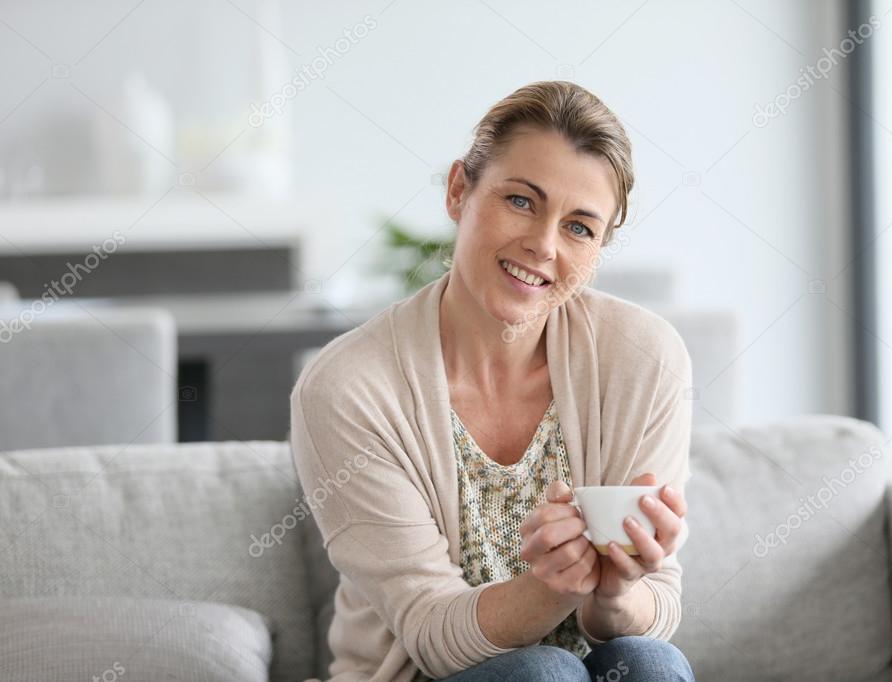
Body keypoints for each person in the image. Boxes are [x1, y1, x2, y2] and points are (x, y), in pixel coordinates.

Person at [290, 80, 696, 681]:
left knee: (648, 662)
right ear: (459, 191)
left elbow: (657, 604)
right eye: (522, 201)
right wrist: (553, 588)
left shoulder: (644, 359)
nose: (542, 245)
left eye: (579, 227)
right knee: (543, 675)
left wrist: (614, 593)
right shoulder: (350, 388)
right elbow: (429, 631)